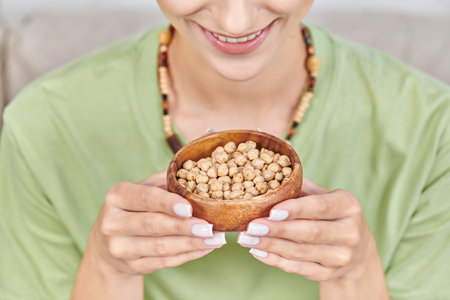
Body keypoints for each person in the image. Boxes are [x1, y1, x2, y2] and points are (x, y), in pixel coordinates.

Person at [0, 0, 449, 299]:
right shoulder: (43, 125)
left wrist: (354, 274)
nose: (236, 21)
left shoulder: (431, 129)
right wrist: (108, 269)